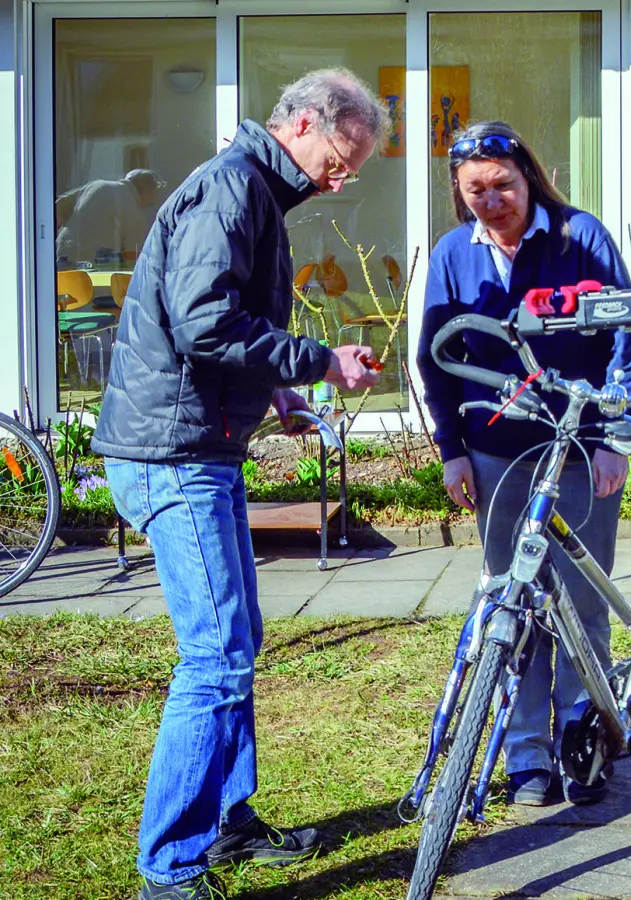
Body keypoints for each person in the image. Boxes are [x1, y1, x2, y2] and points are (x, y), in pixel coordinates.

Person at [90, 69, 387, 900]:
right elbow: (206, 321)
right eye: (340, 157)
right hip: (172, 455)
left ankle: (226, 822)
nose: (343, 177)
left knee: (236, 641)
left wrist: (279, 391)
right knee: (217, 657)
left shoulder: (254, 189)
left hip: (193, 445)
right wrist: (321, 362)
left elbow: (223, 328)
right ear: (299, 124)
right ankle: (171, 867)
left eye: (353, 166)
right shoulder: (233, 191)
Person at [416, 121, 631, 810]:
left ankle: (583, 744)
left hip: (578, 450)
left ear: (528, 177)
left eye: (503, 186)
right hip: (494, 455)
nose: (492, 201)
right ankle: (527, 757)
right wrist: (452, 449)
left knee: (579, 603)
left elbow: (623, 338)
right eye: (475, 191)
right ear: (459, 194)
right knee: (511, 604)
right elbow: (435, 355)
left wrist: (615, 439)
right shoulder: (455, 253)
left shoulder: (581, 237)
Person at [54, 168, 165, 268]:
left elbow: (59, 207)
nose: (153, 200)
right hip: (89, 265)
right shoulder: (131, 205)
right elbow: (132, 255)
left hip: (62, 254)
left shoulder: (96, 185)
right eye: (153, 194)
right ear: (147, 191)